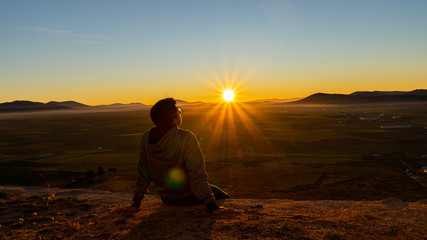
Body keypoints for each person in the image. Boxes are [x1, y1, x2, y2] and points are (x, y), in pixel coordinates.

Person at [116, 98, 235, 214]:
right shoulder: (185, 137)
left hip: (167, 198)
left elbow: (143, 173)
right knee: (222, 194)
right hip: (189, 197)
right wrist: (213, 207)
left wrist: (135, 203)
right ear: (173, 120)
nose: (179, 115)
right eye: (178, 112)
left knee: (213, 188)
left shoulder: (146, 137)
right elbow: (197, 175)